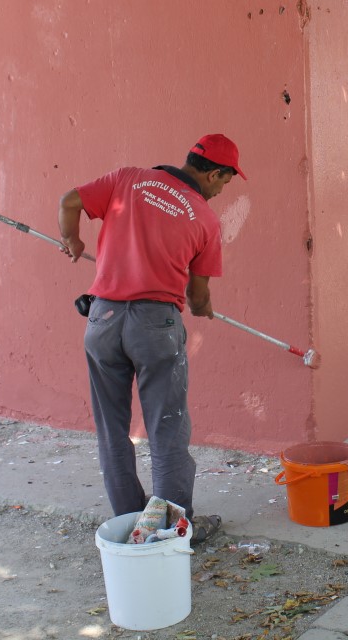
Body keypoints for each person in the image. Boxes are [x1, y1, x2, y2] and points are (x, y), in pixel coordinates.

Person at [58, 134, 246, 544]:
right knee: (167, 430)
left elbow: (69, 202)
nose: (219, 192)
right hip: (154, 327)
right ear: (214, 173)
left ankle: (132, 522)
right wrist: (203, 307)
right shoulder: (205, 220)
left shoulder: (127, 179)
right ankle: (174, 532)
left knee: (111, 428)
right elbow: (197, 296)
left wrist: (72, 240)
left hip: (102, 318)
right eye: (224, 184)